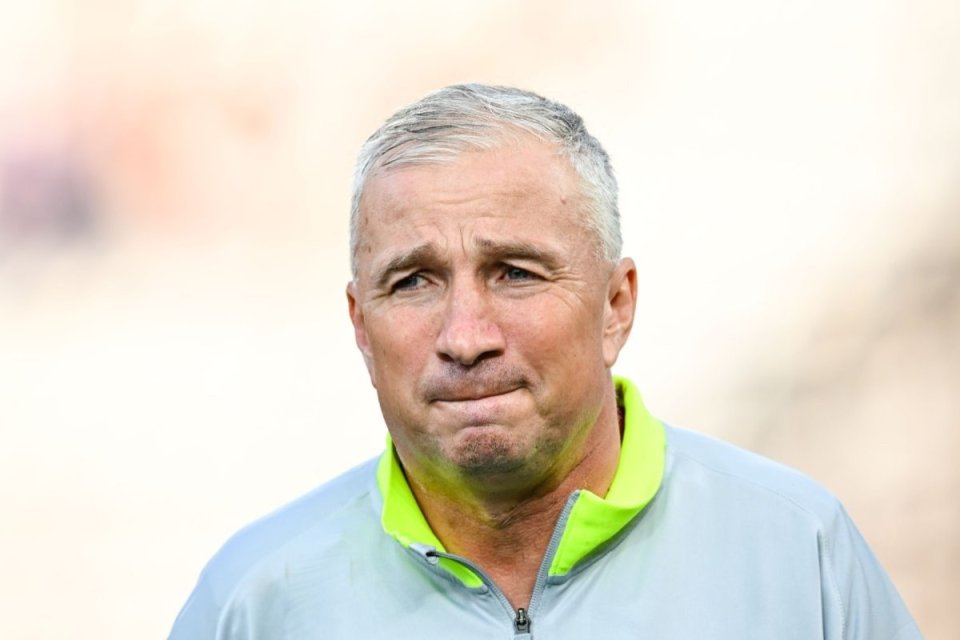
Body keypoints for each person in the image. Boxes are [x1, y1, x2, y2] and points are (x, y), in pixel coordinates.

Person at [170, 84, 921, 639]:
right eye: (414, 282)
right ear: (361, 327)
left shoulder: (799, 556)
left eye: (515, 273)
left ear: (615, 306)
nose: (466, 337)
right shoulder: (253, 602)